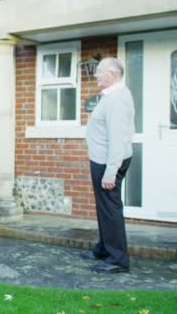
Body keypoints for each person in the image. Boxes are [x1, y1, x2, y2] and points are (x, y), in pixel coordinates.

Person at [81, 57, 135, 273]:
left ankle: (118, 260)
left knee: (110, 210)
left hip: (109, 163)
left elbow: (118, 138)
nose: (96, 75)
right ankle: (103, 249)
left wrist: (110, 172)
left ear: (112, 74)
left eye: (100, 71)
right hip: (103, 161)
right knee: (104, 208)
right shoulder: (112, 96)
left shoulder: (117, 99)